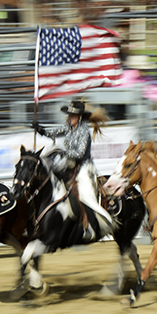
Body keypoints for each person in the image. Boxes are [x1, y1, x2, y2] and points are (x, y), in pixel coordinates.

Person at [32, 100, 113, 239]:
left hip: (84, 168)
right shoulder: (69, 127)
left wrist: (62, 152)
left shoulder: (84, 132)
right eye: (69, 115)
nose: (70, 118)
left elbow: (80, 154)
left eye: (73, 116)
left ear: (79, 117)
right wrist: (41, 130)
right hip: (69, 166)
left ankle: (92, 227)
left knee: (84, 195)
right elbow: (55, 132)